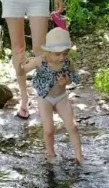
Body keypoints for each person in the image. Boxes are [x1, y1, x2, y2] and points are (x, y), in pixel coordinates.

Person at [19, 27, 84, 165]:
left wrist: (67, 81)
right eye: (58, 54)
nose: (62, 58)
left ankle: (79, 157)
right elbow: (23, 71)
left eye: (65, 53)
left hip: (61, 96)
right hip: (45, 98)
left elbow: (75, 77)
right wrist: (19, 65)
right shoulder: (40, 61)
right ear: (48, 52)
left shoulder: (67, 62)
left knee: (72, 126)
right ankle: (51, 153)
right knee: (49, 130)